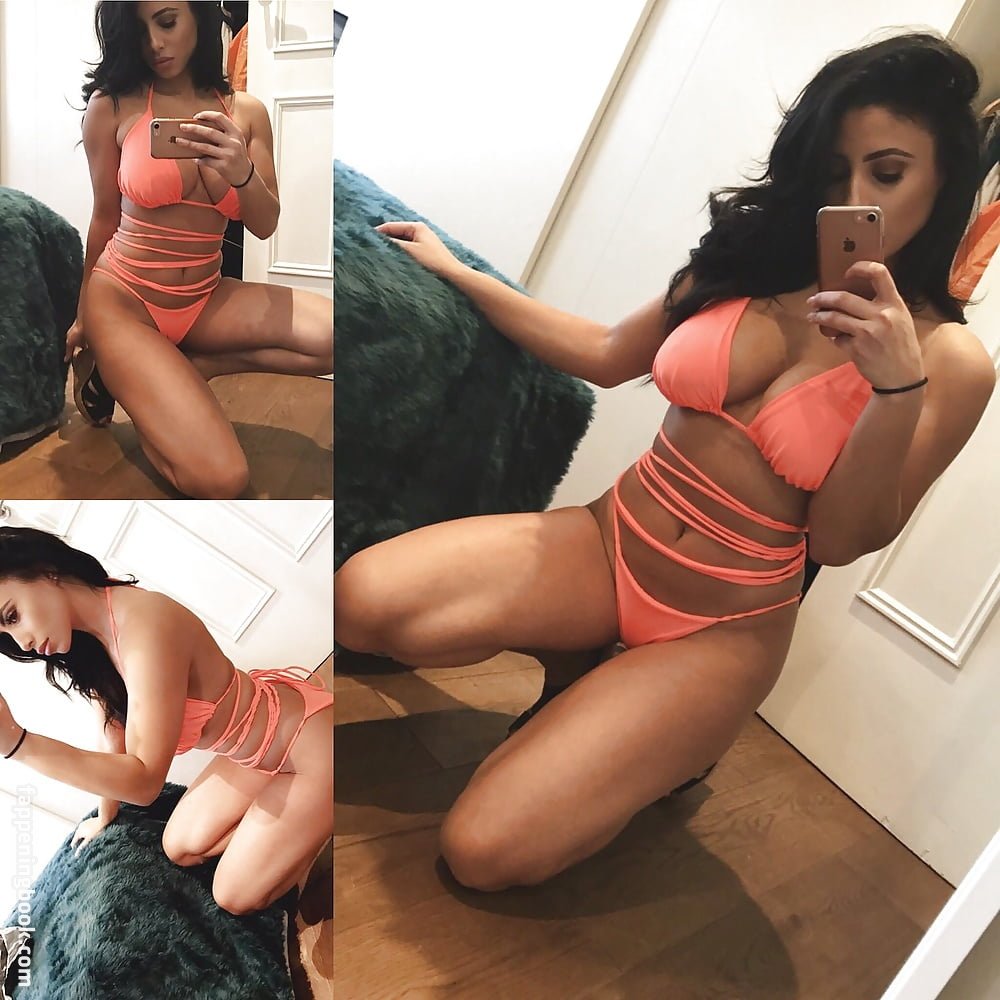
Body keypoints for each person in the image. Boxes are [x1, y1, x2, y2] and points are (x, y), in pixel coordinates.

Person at [333, 33, 997, 893]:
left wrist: (893, 392)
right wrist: (458, 272)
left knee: (483, 851)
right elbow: (608, 352)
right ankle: (582, 665)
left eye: (888, 172)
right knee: (360, 600)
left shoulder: (949, 362)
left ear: (943, 181)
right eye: (834, 170)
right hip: (610, 540)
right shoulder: (749, 257)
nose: (853, 199)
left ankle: (664, 743)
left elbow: (836, 540)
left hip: (721, 630)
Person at [69, 1, 333, 498]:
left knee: (340, 337)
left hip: (204, 300)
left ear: (199, 16)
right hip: (125, 302)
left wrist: (242, 172)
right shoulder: (113, 107)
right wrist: (84, 318)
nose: (154, 43)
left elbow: (265, 225)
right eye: (140, 30)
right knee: (222, 478)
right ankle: (120, 372)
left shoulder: (246, 112)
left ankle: (197, 367)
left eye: (167, 21)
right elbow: (104, 216)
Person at [0, 526, 333, 914]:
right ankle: (298, 824)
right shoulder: (94, 638)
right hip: (252, 757)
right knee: (179, 848)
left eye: (12, 615)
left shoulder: (144, 624)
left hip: (305, 745)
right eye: (5, 631)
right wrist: (104, 816)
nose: (22, 642)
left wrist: (18, 744)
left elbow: (144, 782)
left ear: (46, 570)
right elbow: (113, 734)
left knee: (233, 897)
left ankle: (326, 805)